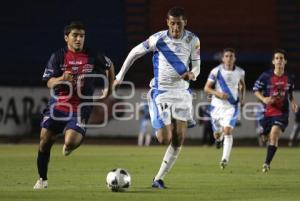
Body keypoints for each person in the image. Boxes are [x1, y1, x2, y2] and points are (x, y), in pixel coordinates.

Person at [114, 7, 200, 188]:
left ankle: (158, 179)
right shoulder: (158, 39)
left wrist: (193, 74)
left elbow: (197, 65)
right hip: (161, 92)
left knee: (178, 139)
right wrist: (120, 76)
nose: (176, 27)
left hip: (182, 93)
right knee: (163, 139)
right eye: (173, 23)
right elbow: (134, 53)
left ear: (186, 22)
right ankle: (152, 104)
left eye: (179, 23)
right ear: (167, 22)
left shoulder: (193, 39)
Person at [33, 21, 115, 189]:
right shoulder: (57, 56)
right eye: (75, 36)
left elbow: (110, 65)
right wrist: (62, 78)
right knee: (44, 141)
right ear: (66, 38)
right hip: (58, 106)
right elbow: (49, 82)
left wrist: (108, 90)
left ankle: (69, 144)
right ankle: (42, 180)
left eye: (82, 36)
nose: (79, 39)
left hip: (80, 108)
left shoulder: (93, 55)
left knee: (70, 142)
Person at [253, 49, 298, 173]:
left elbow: (289, 93)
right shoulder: (266, 76)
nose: (279, 60)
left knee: (274, 135)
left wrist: (293, 102)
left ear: (285, 61)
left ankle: (267, 163)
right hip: (267, 112)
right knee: (265, 138)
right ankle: (265, 136)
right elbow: (255, 90)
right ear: (273, 61)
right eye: (277, 58)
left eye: (281, 58)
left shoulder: (290, 77)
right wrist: (264, 98)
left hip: (281, 113)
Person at [204, 48, 246, 169]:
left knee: (228, 131)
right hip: (217, 106)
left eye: (231, 56)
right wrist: (218, 94)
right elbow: (207, 88)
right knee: (217, 135)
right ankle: (219, 139)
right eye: (226, 56)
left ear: (234, 58)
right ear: (222, 58)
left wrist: (242, 98)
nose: (229, 58)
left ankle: (224, 159)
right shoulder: (215, 71)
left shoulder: (240, 72)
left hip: (232, 106)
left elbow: (242, 85)